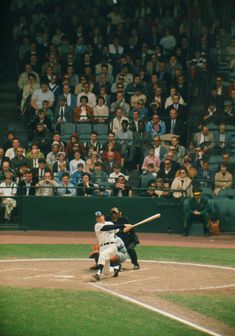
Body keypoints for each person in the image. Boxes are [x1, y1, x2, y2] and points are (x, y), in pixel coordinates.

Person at [91, 210, 132, 282]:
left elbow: (117, 231)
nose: (98, 218)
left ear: (103, 216)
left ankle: (97, 275)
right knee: (106, 272)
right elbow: (108, 227)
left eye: (100, 216)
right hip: (103, 248)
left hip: (112, 247)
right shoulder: (97, 226)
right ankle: (116, 268)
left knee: (102, 255)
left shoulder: (109, 223)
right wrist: (124, 225)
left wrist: (125, 229)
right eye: (97, 217)